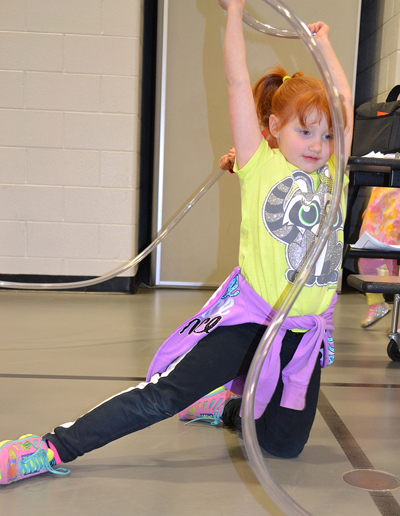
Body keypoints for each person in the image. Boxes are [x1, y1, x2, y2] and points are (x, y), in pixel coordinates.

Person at [0, 0, 353, 486]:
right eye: (305, 131)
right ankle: (48, 448)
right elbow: (235, 83)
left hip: (302, 336)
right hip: (253, 322)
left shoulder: (336, 175)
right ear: (274, 128)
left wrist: (325, 46)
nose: (318, 143)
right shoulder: (259, 165)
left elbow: (344, 102)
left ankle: (227, 409)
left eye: (328, 135)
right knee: (162, 397)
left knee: (282, 446)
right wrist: (233, 13)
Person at [358, 187, 400, 335]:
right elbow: (378, 194)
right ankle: (376, 304)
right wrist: (370, 210)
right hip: (378, 229)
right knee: (365, 263)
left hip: (397, 230)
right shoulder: (383, 170)